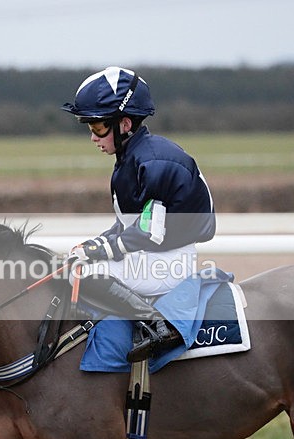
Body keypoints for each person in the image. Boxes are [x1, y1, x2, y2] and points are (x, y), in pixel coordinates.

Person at [62, 66, 216, 362]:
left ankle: (156, 326)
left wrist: (99, 250)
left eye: (97, 127)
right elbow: (127, 226)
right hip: (157, 252)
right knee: (82, 263)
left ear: (125, 124)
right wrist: (94, 244)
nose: (93, 137)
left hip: (169, 262)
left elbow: (148, 232)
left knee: (86, 273)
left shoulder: (150, 162)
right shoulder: (134, 156)